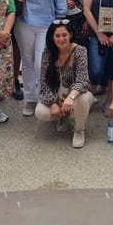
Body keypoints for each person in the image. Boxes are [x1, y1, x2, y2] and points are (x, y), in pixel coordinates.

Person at [9, 0, 67, 116]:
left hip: (47, 24)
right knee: (27, 61)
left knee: (41, 63)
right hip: (24, 22)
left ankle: (44, 96)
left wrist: (60, 20)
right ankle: (30, 98)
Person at [35, 19, 94, 148]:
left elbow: (83, 80)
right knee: (41, 112)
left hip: (76, 94)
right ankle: (63, 117)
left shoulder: (80, 51)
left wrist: (70, 98)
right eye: (57, 36)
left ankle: (79, 130)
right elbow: (44, 83)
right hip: (58, 94)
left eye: (64, 35)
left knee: (82, 98)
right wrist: (52, 104)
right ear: (52, 37)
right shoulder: (48, 53)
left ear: (70, 35)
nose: (61, 39)